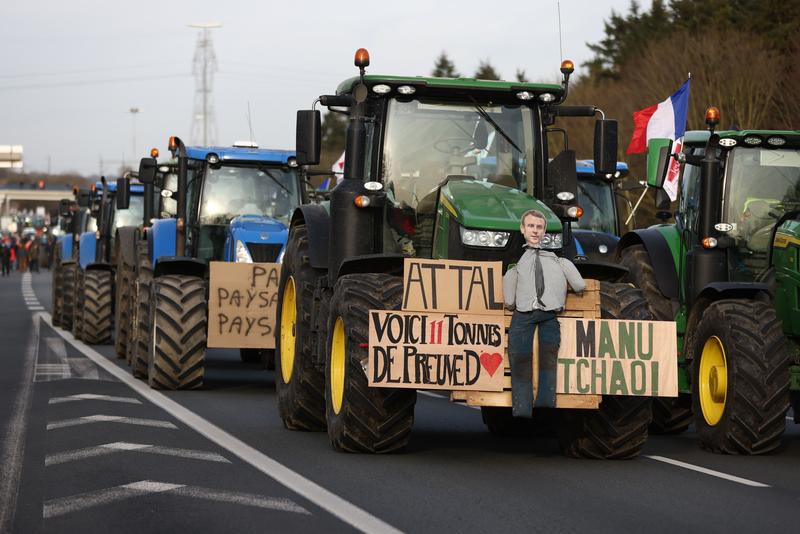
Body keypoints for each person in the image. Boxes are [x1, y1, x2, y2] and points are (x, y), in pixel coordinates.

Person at [503, 209, 586, 416]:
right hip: (524, 314)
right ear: (523, 229)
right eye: (531, 226)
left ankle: (545, 403)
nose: (535, 230)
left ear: (544, 231)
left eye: (539, 227)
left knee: (548, 359)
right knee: (520, 358)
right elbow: (509, 300)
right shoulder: (517, 265)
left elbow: (579, 285)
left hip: (549, 314)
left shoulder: (559, 262)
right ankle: (521, 408)